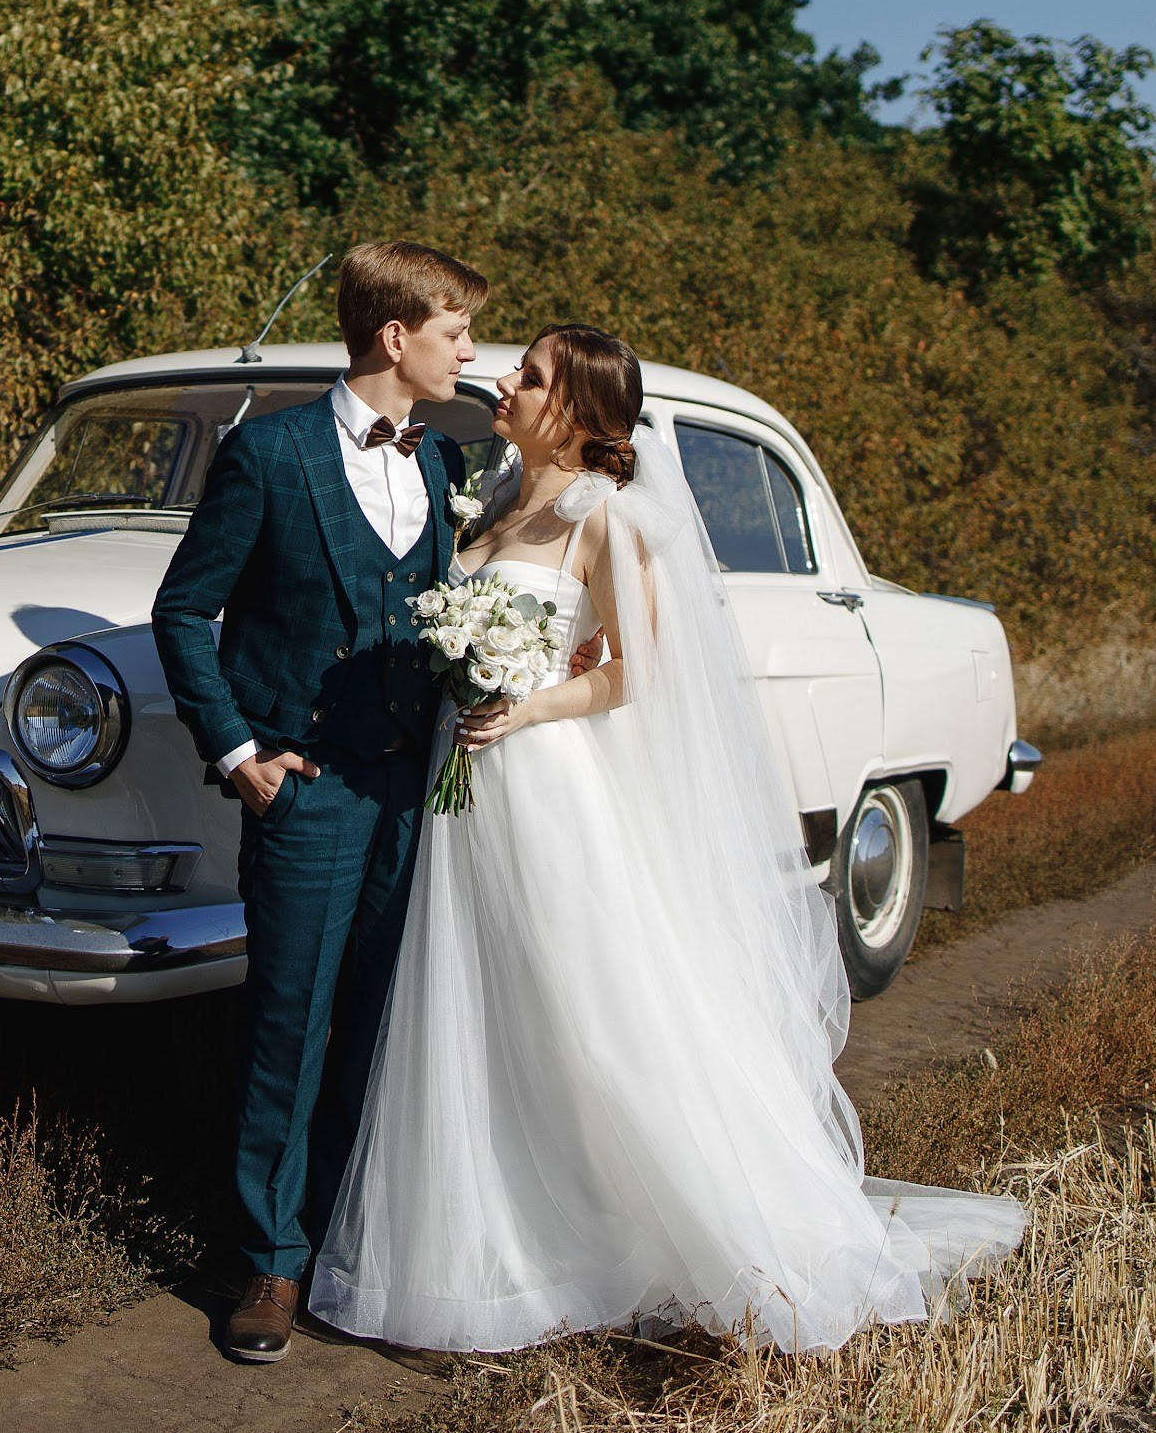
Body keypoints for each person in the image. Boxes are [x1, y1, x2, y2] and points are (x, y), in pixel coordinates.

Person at [307, 325, 1026, 1354]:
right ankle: (492, 1239)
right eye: (517, 369)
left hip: (542, 782)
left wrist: (528, 706)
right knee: (474, 1000)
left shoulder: (608, 514)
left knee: (585, 1007)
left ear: (581, 413)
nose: (506, 380)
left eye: (534, 375)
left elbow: (637, 669)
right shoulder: (493, 497)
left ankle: (666, 1219)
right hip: (460, 787)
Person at [153, 240, 483, 1362]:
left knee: (383, 1026)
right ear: (396, 337)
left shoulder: (443, 465)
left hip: (412, 793)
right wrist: (236, 749)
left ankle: (344, 1240)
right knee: (286, 1027)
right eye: (455, 332)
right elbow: (180, 610)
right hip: (306, 786)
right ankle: (268, 1263)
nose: (469, 352)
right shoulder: (271, 452)